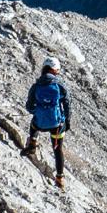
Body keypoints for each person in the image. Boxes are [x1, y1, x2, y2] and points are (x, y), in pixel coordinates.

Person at [23, 56, 73, 188]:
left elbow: (29, 106)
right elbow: (67, 104)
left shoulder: (36, 86)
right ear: (56, 70)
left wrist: (38, 111)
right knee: (58, 149)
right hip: (57, 126)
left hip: (40, 124)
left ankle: (32, 143)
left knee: (33, 124)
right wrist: (67, 121)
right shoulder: (60, 86)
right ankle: (59, 179)